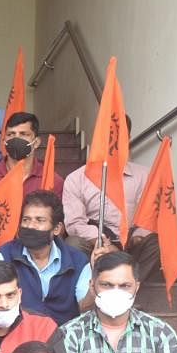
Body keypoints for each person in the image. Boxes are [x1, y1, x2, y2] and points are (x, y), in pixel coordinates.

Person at [61, 118, 161, 282]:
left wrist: (138, 236)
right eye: (106, 137)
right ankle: (91, 291)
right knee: (73, 244)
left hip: (130, 243)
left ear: (128, 139)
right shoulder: (76, 178)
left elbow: (150, 215)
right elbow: (74, 223)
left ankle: (130, 289)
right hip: (93, 243)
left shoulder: (145, 176)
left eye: (119, 137)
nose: (112, 143)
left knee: (157, 244)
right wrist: (103, 243)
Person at [0, 191, 92, 324]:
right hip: (16, 333)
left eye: (39, 220)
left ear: (56, 229)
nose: (31, 226)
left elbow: (85, 309)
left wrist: (97, 281)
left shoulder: (78, 261)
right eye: (26, 220)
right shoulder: (4, 255)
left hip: (63, 338)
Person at [0, 111, 45, 195]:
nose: (16, 138)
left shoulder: (50, 179)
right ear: (3, 141)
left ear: (36, 142)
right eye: (11, 134)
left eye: (23, 134)